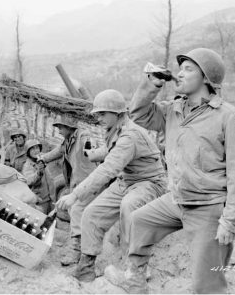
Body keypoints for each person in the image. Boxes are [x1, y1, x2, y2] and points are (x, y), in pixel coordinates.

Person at [105, 48, 235, 294]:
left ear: (206, 78)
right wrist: (151, 85)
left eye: (188, 69)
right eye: (180, 68)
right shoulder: (173, 110)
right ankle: (134, 279)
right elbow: (139, 114)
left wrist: (232, 222)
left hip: (208, 207)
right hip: (177, 200)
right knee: (140, 220)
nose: (179, 74)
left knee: (207, 285)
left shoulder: (228, 117)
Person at [56, 89, 167, 282]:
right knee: (91, 213)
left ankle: (138, 267)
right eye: (97, 114)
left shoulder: (130, 135)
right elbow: (109, 150)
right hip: (127, 181)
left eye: (103, 113)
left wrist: (75, 195)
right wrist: (94, 154)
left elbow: (108, 169)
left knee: (129, 206)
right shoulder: (115, 130)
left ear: (118, 113)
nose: (99, 118)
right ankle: (86, 268)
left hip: (149, 183)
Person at [39, 115, 97, 266]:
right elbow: (58, 151)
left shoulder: (83, 137)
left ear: (70, 127)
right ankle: (80, 247)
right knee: (75, 213)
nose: (58, 131)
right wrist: (43, 159)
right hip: (77, 184)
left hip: (88, 183)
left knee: (77, 212)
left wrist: (92, 151)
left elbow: (92, 150)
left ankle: (76, 251)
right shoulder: (68, 141)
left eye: (61, 128)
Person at [22, 139, 53, 214]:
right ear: (28, 152)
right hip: (39, 200)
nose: (36, 150)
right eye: (32, 149)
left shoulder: (42, 159)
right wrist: (39, 172)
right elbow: (29, 180)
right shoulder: (27, 165)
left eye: (37, 147)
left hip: (50, 197)